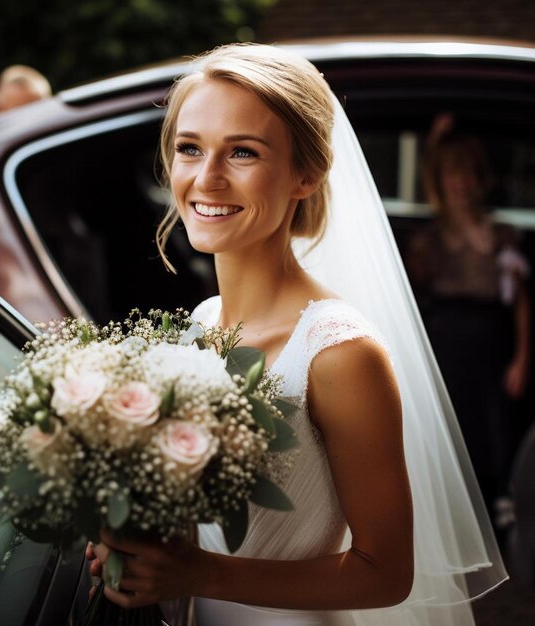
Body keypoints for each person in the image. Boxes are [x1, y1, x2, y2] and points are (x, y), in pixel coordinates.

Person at [87, 44, 506, 625]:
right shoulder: (202, 325)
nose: (207, 178)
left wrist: (199, 572)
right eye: (190, 148)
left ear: (305, 175)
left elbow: (386, 573)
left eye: (242, 152)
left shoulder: (338, 352)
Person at [407, 118, 531, 527]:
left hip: (493, 341)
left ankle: (503, 501)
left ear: (479, 179)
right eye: (450, 175)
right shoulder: (429, 240)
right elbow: (414, 301)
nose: (460, 183)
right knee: (453, 421)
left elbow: (520, 303)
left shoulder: (501, 234)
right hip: (447, 340)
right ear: (438, 183)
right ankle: (455, 505)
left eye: (466, 174)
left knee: (497, 422)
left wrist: (521, 359)